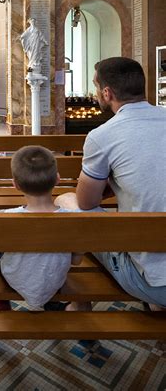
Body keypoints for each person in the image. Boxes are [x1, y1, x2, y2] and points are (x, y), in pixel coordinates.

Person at [56, 57, 166, 309]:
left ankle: (78, 301)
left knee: (66, 202)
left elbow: (86, 202)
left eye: (96, 87)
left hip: (154, 283)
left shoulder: (102, 135)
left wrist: (110, 184)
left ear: (107, 93)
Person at [0, 146, 87, 312]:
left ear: (15, 185)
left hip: (15, 279)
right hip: (54, 281)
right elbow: (75, 261)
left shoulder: (7, 217)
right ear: (57, 179)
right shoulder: (71, 219)